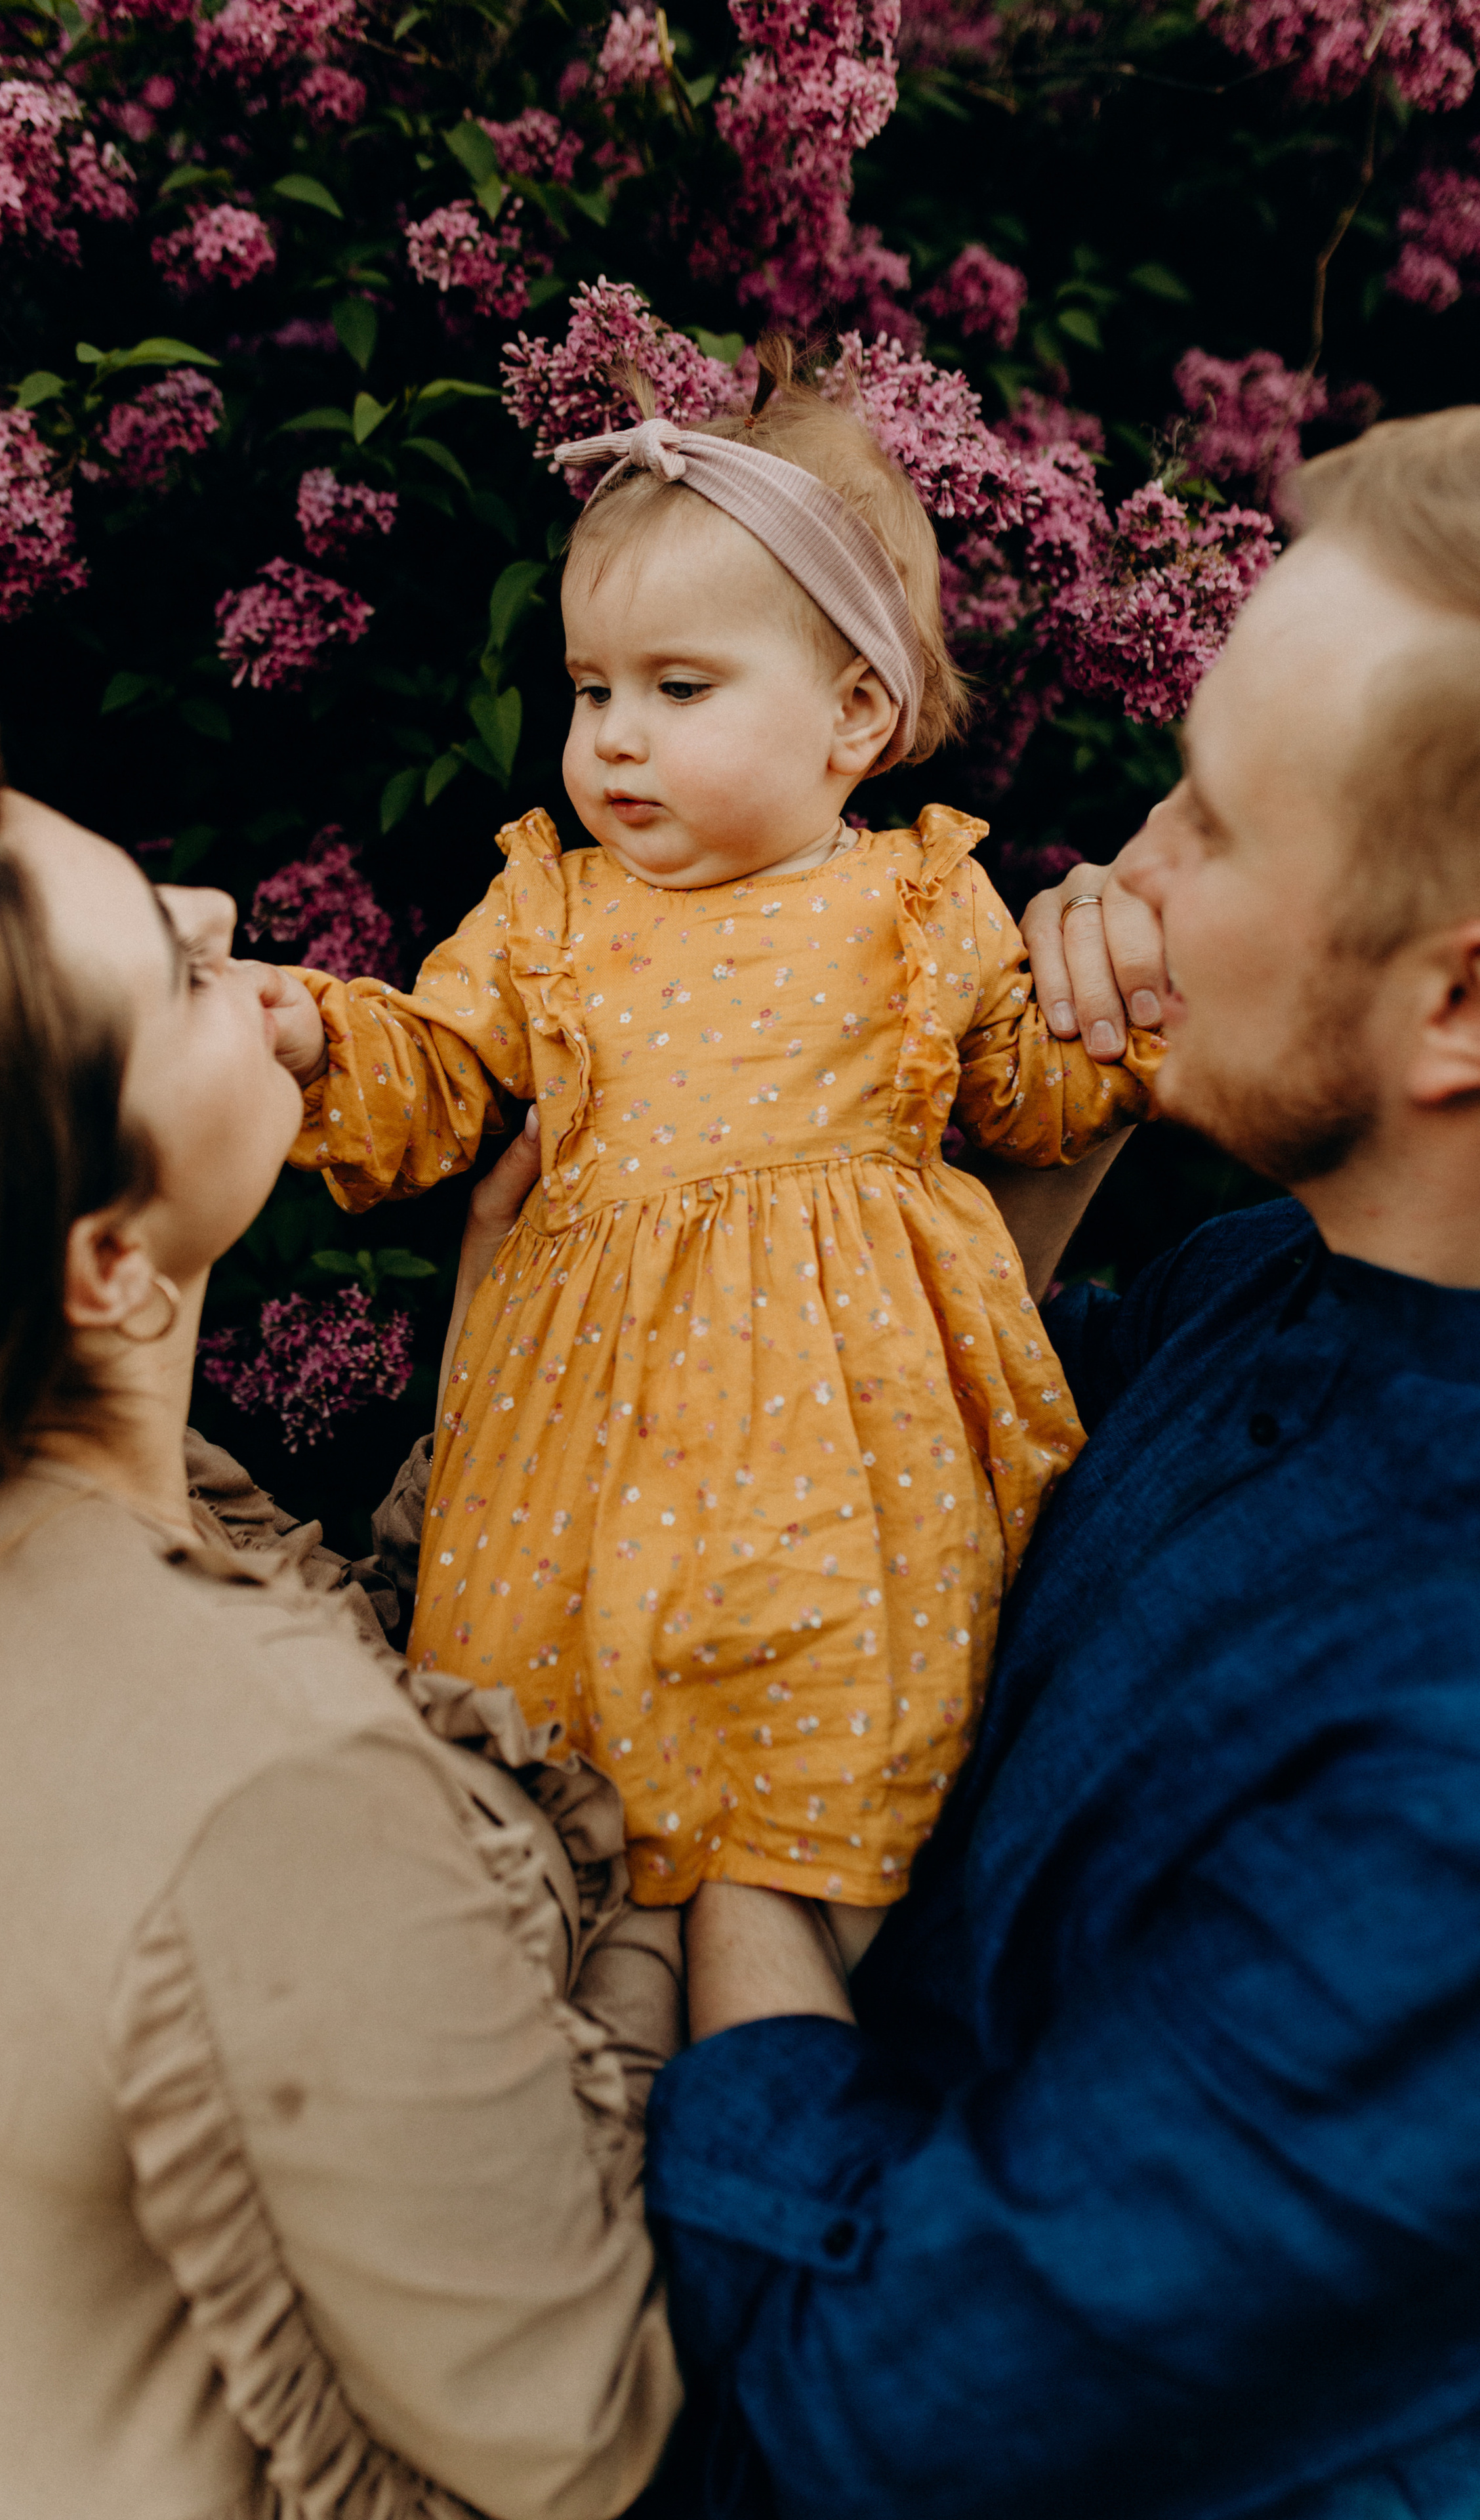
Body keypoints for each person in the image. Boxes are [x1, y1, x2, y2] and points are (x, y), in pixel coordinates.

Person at [613, 404, 1480, 2518]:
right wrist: (1073, 1118)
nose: (1124, 871)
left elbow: (878, 2394)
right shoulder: (1262, 1290)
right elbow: (891, 1462)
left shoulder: (1445, 1776)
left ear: (1460, 1010)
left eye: (1208, 820)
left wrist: (742, 1836)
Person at [0, 724, 683, 2520]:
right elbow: (585, 2430)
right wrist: (689, 1918)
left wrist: (509, 1373)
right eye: (178, 965)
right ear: (109, 1259)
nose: (218, 909)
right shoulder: (264, 1774)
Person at [261, 342, 1162, 1943]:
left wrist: (1141, 999)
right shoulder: (547, 906)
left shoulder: (915, 901)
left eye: (679, 690)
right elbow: (445, 1073)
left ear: (853, 713)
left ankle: (786, 2104)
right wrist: (324, 1042)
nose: (612, 737)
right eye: (591, 689)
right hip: (577, 1460)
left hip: (845, 1448)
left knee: (807, 1816)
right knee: (572, 1817)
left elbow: (1031, 1093)